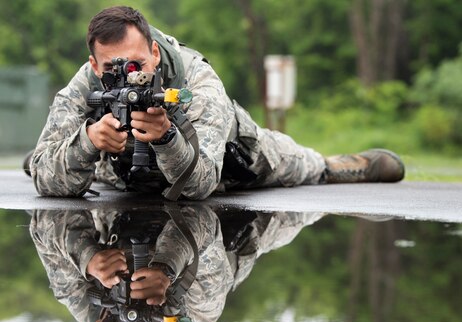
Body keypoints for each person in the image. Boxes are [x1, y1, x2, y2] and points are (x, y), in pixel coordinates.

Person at [29, 6, 405, 201]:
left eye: (137, 65)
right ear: (94, 65)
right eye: (113, 68)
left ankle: (338, 166)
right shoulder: (86, 81)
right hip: (129, 175)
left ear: (156, 54)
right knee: (46, 162)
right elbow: (46, 174)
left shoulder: (196, 80)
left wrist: (165, 138)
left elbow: (201, 186)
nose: (128, 77)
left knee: (295, 164)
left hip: (229, 160)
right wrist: (86, 143)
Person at [29, 205, 325, 322]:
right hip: (239, 216)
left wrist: (88, 257)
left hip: (136, 202)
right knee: (313, 183)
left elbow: (46, 216)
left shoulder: (81, 298)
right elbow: (203, 218)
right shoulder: (195, 317)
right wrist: (166, 269)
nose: (122, 319)